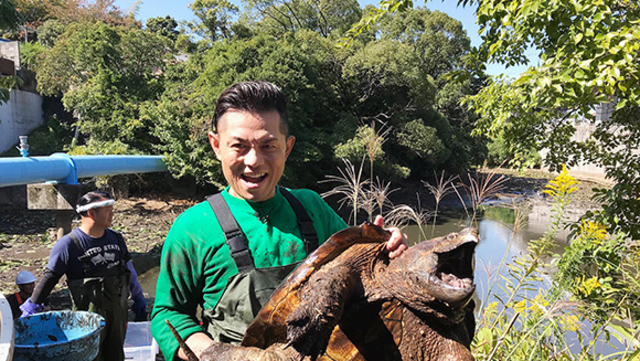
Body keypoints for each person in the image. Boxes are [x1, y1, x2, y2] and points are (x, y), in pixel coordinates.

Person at [150, 81, 408, 361]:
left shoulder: (312, 208)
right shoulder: (193, 228)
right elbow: (169, 313)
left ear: (287, 147)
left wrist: (390, 247)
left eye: (268, 146)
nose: (254, 161)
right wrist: (217, 355)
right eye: (239, 146)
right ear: (216, 145)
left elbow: (362, 269)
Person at [20, 190, 147, 361]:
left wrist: (138, 298)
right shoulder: (68, 245)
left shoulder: (116, 238)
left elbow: (128, 271)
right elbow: (49, 278)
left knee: (116, 355)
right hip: (87, 320)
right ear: (91, 213)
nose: (112, 213)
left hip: (117, 313)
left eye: (112, 208)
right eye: (107, 209)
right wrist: (31, 307)